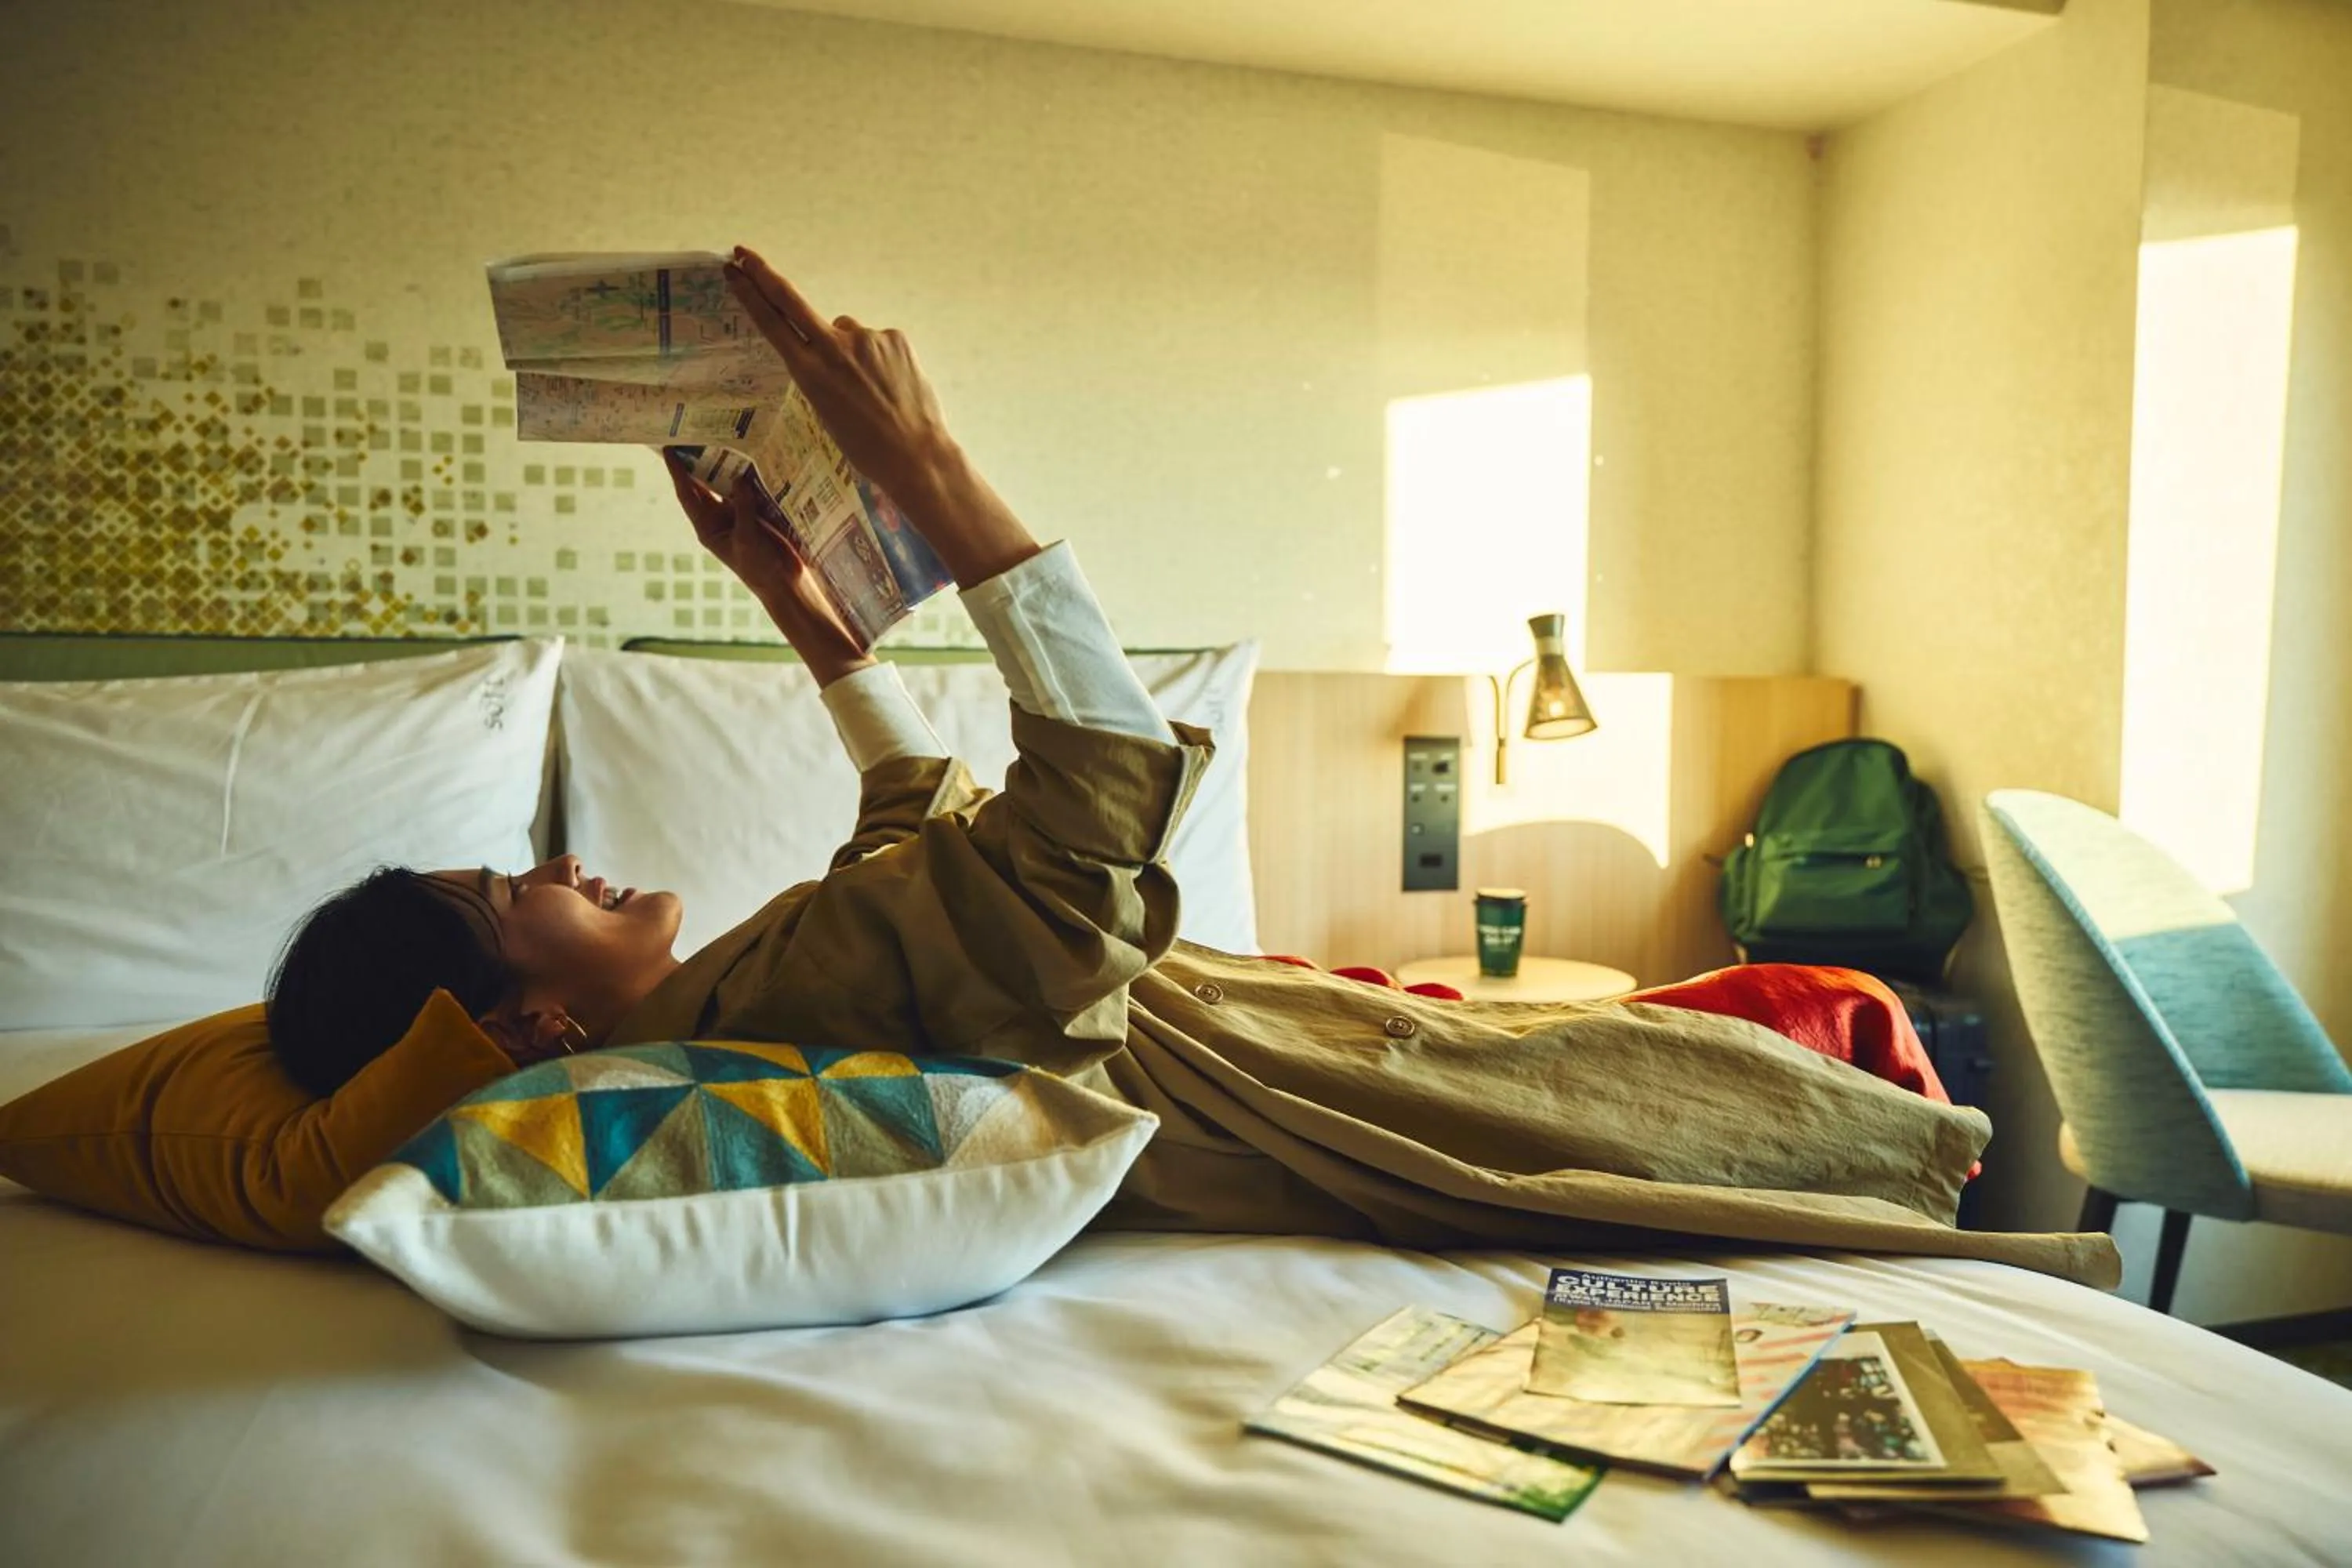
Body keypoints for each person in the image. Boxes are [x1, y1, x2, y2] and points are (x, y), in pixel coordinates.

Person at [268, 248, 2115, 1288]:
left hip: (1282, 1013)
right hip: (1298, 1075)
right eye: (519, 892)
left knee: (1774, 1010)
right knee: (1772, 1045)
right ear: (521, 1032)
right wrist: (936, 482)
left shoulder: (746, 995)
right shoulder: (732, 1037)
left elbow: (922, 857)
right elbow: (1079, 820)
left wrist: (822, 627)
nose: (568, 869)